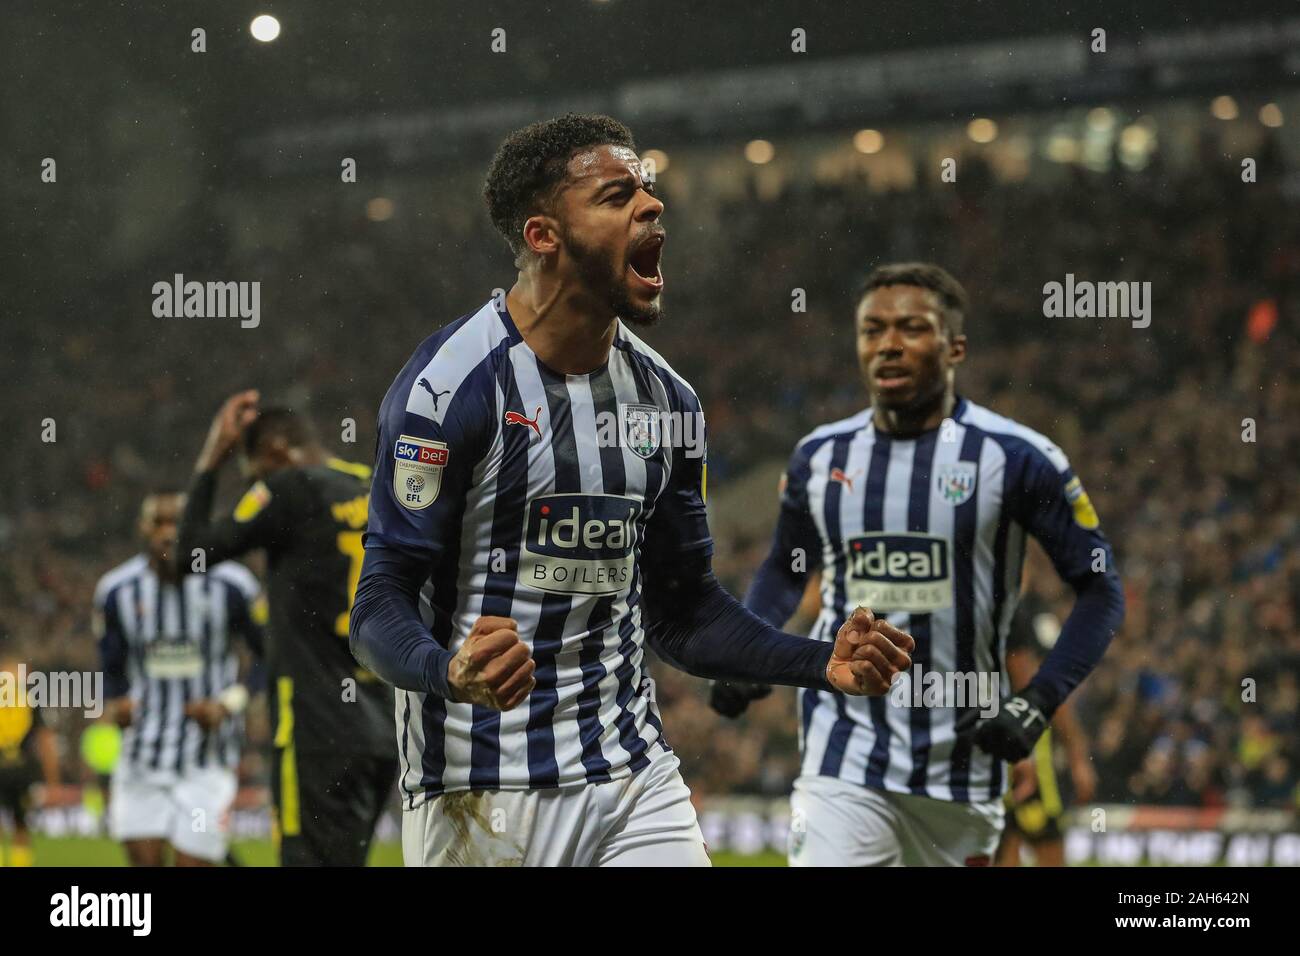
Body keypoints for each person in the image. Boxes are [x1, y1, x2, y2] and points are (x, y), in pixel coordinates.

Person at [349, 113, 915, 867]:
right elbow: (378, 604)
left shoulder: (667, 403)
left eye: (648, 190)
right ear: (545, 234)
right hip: (480, 791)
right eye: (618, 196)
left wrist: (820, 663)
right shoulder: (448, 390)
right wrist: (448, 671)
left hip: (633, 777)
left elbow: (683, 613)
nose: (652, 207)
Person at [715, 262, 1124, 866]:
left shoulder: (1019, 459)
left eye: (911, 328)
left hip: (965, 767)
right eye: (872, 330)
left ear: (955, 345)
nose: (888, 344)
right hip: (843, 757)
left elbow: (1099, 590)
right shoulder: (819, 457)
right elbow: (785, 567)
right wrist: (750, 651)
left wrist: (1037, 703)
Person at [179, 398, 397, 866]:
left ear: (276, 452)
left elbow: (191, 552)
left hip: (316, 730)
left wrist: (212, 458)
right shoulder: (373, 485)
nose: (257, 486)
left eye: (254, 473)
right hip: (382, 729)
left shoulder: (290, 488)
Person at [95, 491, 263, 866]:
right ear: (143, 528)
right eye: (159, 523)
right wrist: (117, 704)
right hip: (142, 754)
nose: (169, 533)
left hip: (207, 757)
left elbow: (269, 657)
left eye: (178, 523)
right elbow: (111, 668)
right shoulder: (117, 591)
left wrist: (229, 703)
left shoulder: (232, 586)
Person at [0, 642, 61, 867]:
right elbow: (45, 741)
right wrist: (53, 780)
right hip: (21, 768)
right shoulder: (30, 699)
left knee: (18, 823)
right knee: (20, 825)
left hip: (14, 770)